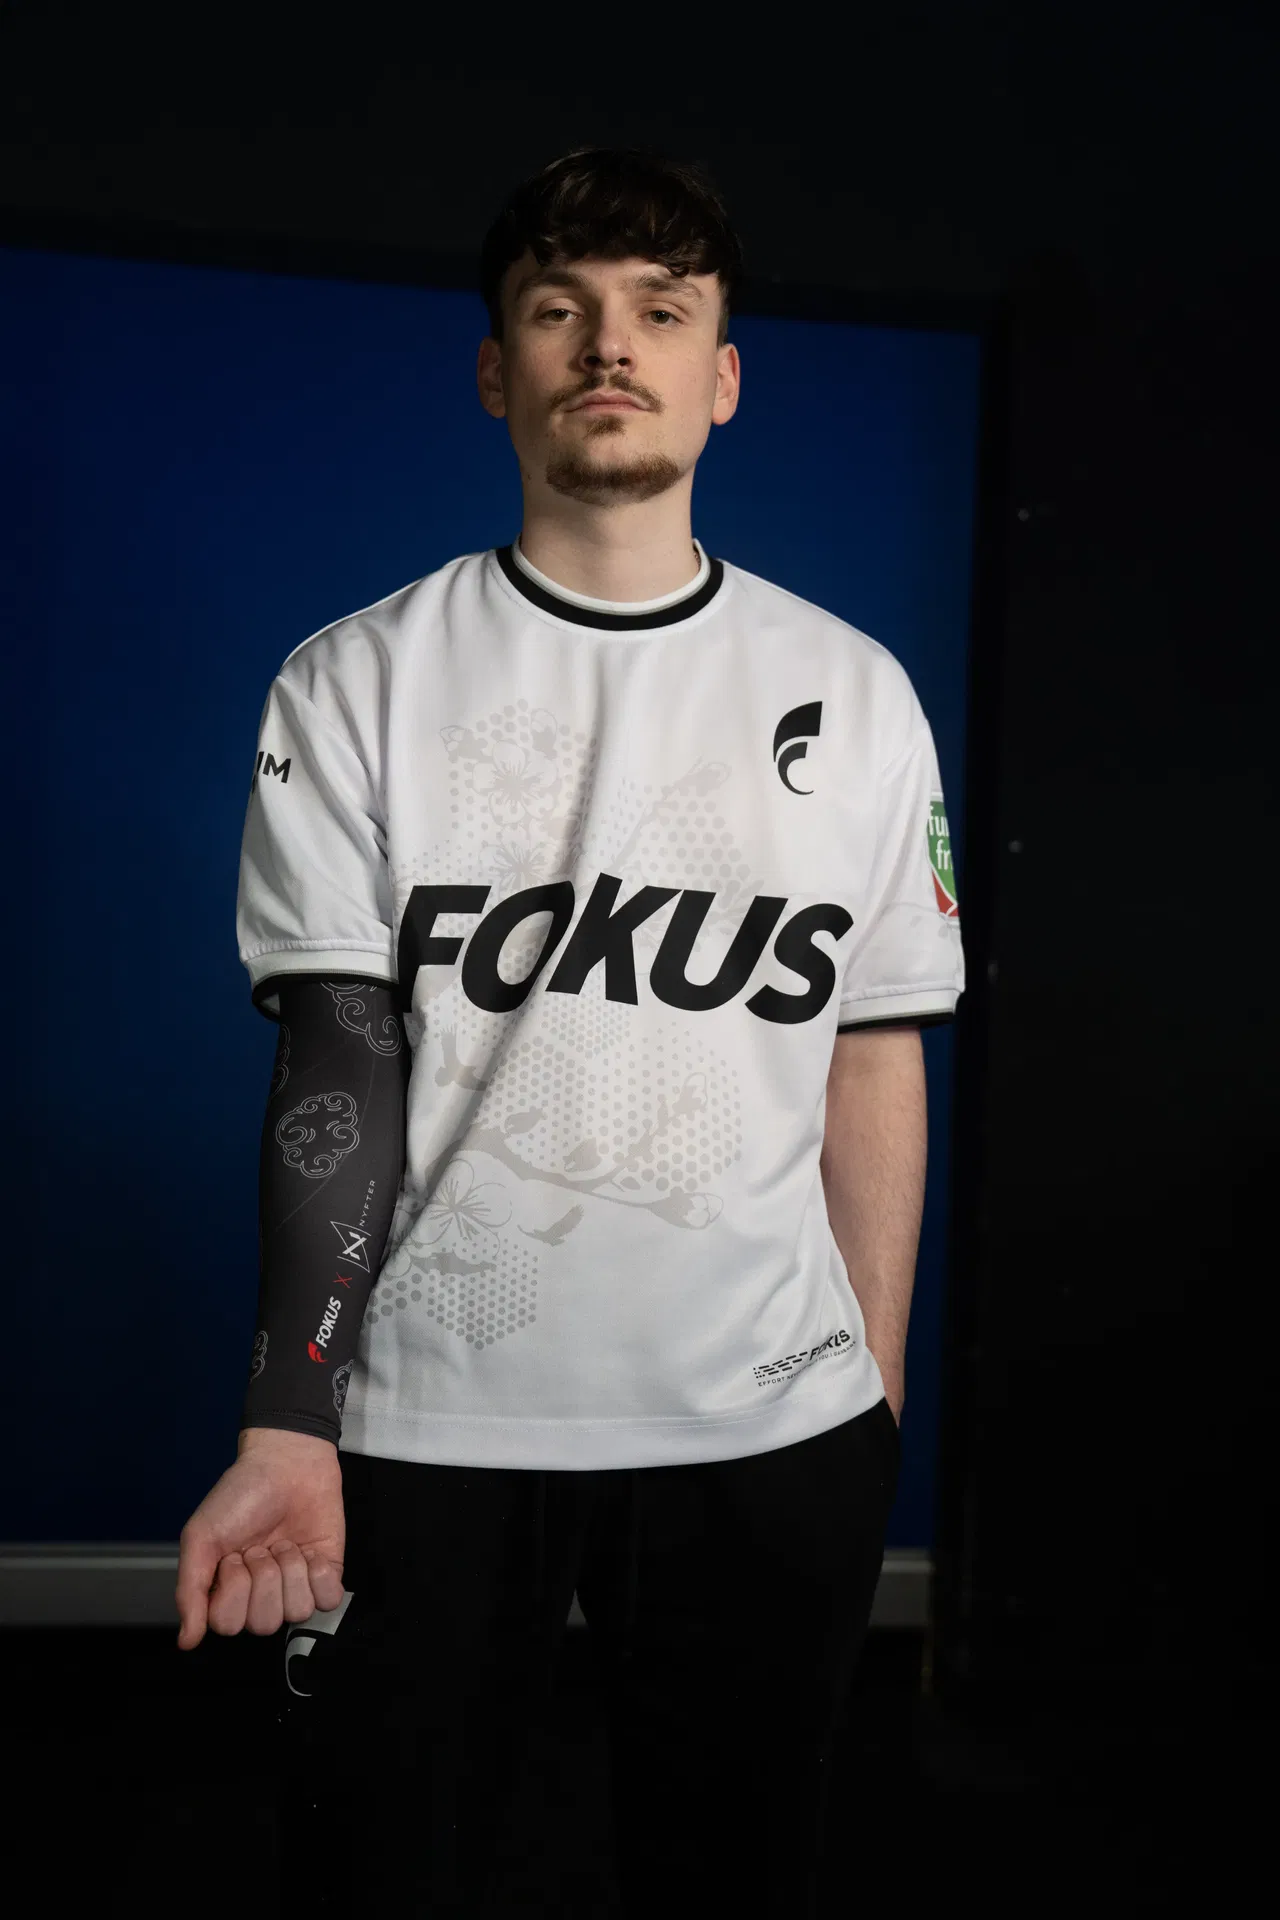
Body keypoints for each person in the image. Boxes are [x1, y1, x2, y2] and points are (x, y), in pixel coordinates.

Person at [175, 144, 965, 1917]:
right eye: (561, 310)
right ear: (497, 366)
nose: (611, 347)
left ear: (724, 375)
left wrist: (872, 1393)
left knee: (734, 1879)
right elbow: (337, 1062)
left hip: (770, 1438)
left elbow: (870, 1052)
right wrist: (291, 1423)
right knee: (390, 1878)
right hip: (431, 1429)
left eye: (661, 315)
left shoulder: (853, 691)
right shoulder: (359, 677)